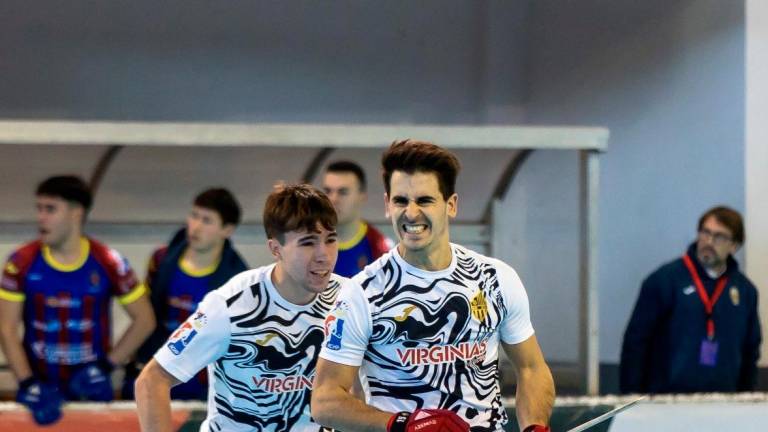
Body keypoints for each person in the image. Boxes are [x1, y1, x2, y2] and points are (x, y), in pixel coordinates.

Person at [312, 140, 555, 432]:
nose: (411, 213)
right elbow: (325, 401)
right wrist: (404, 424)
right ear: (388, 205)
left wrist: (535, 427)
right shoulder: (362, 292)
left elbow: (531, 369)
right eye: (401, 201)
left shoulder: (495, 278)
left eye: (424, 200)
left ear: (450, 205)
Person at [136, 184, 354, 432]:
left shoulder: (350, 300)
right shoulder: (231, 305)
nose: (323, 255)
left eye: (331, 239)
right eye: (307, 243)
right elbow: (152, 380)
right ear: (275, 249)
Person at [0, 175, 156, 425]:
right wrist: (27, 383)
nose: (41, 217)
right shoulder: (21, 262)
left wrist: (105, 367)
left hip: (90, 392)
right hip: (40, 393)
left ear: (76, 213)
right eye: (39, 209)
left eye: (50, 209)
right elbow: (6, 328)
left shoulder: (108, 261)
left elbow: (145, 319)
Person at [123, 187, 248, 400]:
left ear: (227, 229)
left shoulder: (238, 280)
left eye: (207, 220)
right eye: (194, 216)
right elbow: (149, 316)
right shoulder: (162, 260)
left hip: (202, 384)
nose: (195, 227)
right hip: (156, 369)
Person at [620, 206, 762, 394]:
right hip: (666, 401)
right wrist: (631, 400)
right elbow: (636, 343)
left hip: (724, 403)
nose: (709, 242)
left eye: (719, 237)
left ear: (734, 245)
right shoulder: (664, 280)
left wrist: (745, 399)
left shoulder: (745, 291)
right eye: (705, 232)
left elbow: (750, 350)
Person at [322, 160, 392, 277]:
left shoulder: (379, 246)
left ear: (362, 196)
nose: (333, 199)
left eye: (343, 192)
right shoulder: (307, 242)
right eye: (328, 191)